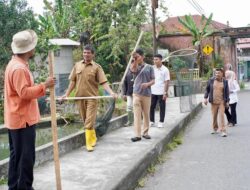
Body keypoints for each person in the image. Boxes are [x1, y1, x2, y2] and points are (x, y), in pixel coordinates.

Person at [4, 29, 55, 190]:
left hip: (17, 118)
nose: (34, 48)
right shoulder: (19, 68)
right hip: (22, 120)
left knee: (17, 158)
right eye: (33, 46)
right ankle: (24, 187)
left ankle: (15, 187)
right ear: (28, 50)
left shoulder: (15, 64)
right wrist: (44, 85)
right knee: (25, 160)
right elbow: (24, 92)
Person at [62, 44, 117, 152]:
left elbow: (104, 82)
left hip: (92, 98)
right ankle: (93, 137)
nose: (86, 54)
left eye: (88, 53)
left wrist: (111, 92)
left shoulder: (97, 67)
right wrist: (67, 94)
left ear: (93, 54)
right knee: (84, 119)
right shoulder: (77, 65)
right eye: (84, 52)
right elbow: (73, 81)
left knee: (89, 120)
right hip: (79, 98)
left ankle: (88, 143)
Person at [130, 48, 155, 142]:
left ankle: (145, 132)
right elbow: (133, 70)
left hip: (147, 94)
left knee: (146, 114)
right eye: (135, 56)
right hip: (136, 93)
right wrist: (135, 60)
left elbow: (153, 80)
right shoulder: (133, 64)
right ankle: (137, 135)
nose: (137, 58)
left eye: (138, 56)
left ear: (143, 56)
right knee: (136, 114)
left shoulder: (149, 67)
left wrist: (147, 84)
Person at [204, 68, 229, 137]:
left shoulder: (225, 82)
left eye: (218, 73)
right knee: (214, 116)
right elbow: (207, 90)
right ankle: (215, 128)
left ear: (222, 74)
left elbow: (227, 92)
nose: (217, 74)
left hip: (222, 101)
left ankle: (223, 131)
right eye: (216, 73)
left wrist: (227, 101)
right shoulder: (211, 80)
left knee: (221, 116)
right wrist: (205, 98)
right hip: (213, 101)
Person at [150, 54, 170, 128]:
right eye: (154, 59)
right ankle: (151, 121)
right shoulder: (152, 68)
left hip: (161, 92)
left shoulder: (165, 69)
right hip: (152, 91)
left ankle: (161, 121)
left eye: (156, 59)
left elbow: (167, 82)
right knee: (151, 106)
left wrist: (165, 92)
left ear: (161, 60)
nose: (154, 61)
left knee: (162, 107)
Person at [122, 59, 135, 127]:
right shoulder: (127, 73)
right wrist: (124, 94)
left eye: (134, 63)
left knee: (137, 107)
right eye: (131, 63)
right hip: (129, 93)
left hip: (137, 94)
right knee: (129, 107)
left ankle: (138, 120)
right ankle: (130, 121)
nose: (133, 65)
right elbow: (125, 84)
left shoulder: (138, 72)